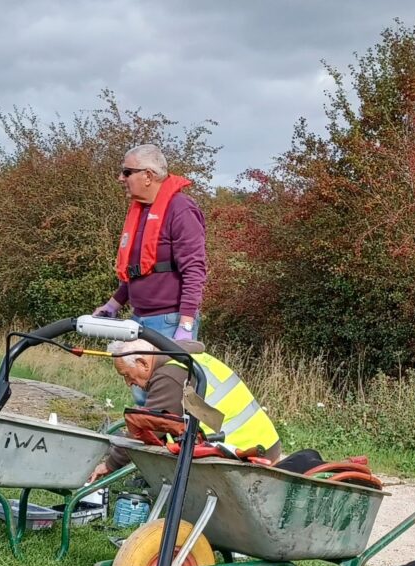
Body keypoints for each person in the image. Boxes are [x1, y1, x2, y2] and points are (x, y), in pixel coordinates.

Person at [89, 338, 280, 482]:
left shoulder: (170, 376)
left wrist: (109, 465)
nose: (129, 383)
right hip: (265, 442)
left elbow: (145, 430)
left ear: (143, 363)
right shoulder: (184, 357)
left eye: (127, 375)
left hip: (247, 453)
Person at [94, 144, 207, 345]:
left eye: (127, 172)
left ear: (148, 175)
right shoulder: (140, 212)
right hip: (138, 319)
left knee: (164, 378)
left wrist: (186, 324)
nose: (121, 178)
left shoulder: (180, 209)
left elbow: (194, 269)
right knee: (134, 376)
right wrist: (112, 305)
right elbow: (140, 271)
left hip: (169, 322)